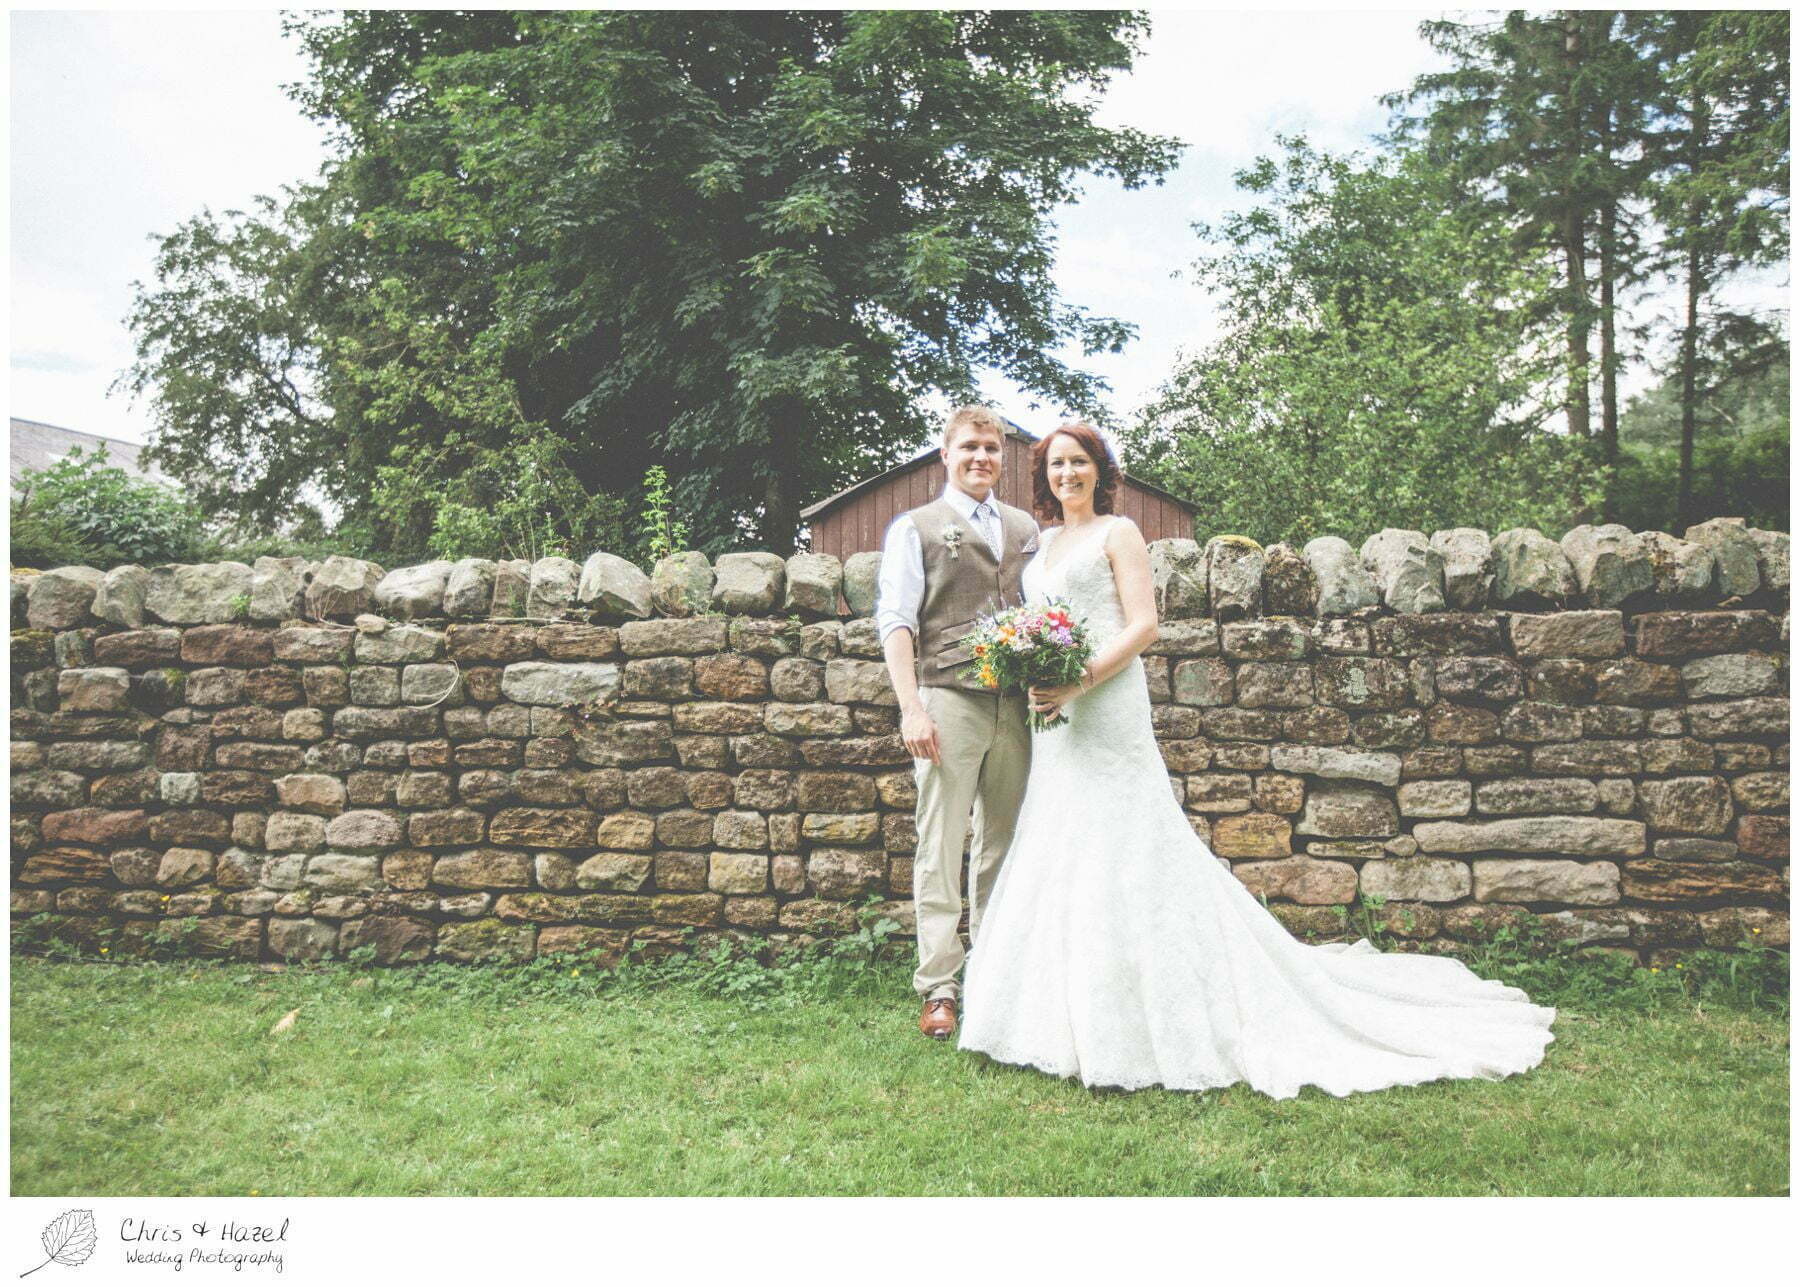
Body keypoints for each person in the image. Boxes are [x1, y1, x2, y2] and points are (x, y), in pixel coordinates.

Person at [957, 423, 1558, 1097]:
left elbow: (1144, 624)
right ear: (1044, 473)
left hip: (1105, 703)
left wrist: (1080, 678)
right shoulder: (1043, 543)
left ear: (1100, 470)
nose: (1068, 472)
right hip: (1057, 719)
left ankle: (1155, 1008)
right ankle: (1058, 1015)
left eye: (1080, 461)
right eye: (1057, 463)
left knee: (1125, 841)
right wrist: (1036, 667)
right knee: (1063, 840)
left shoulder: (1118, 532)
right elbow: (1041, 619)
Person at [876, 405, 1039, 1040]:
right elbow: (896, 619)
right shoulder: (914, 528)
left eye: (992, 450)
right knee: (941, 845)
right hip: (947, 699)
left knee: (1004, 844)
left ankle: (994, 974)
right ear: (945, 455)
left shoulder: (1025, 528)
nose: (981, 459)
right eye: (969, 447)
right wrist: (911, 706)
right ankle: (939, 987)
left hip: (1017, 705)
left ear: (1004, 459)